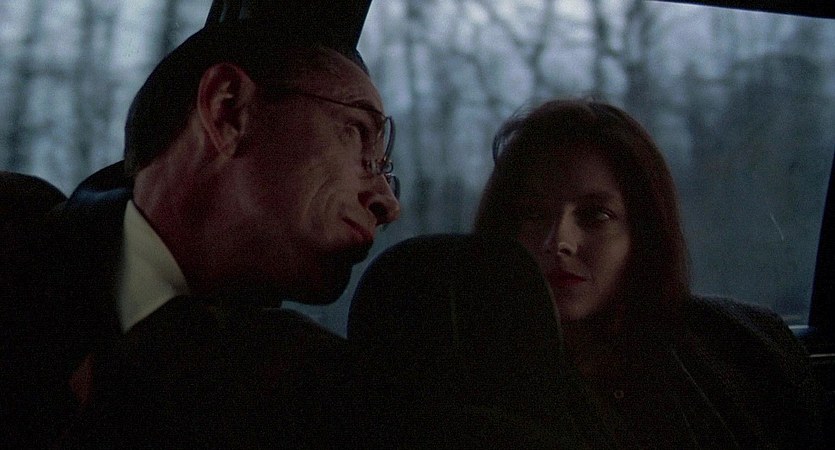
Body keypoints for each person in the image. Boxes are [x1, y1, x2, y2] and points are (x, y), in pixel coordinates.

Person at [6, 0, 400, 447]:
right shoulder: (14, 247)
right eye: (357, 134)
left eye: (386, 170)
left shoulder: (314, 395)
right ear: (228, 109)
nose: (388, 204)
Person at [473, 99, 825, 448]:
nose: (559, 242)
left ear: (643, 230)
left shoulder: (744, 349)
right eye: (534, 214)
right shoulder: (473, 381)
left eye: (595, 215)